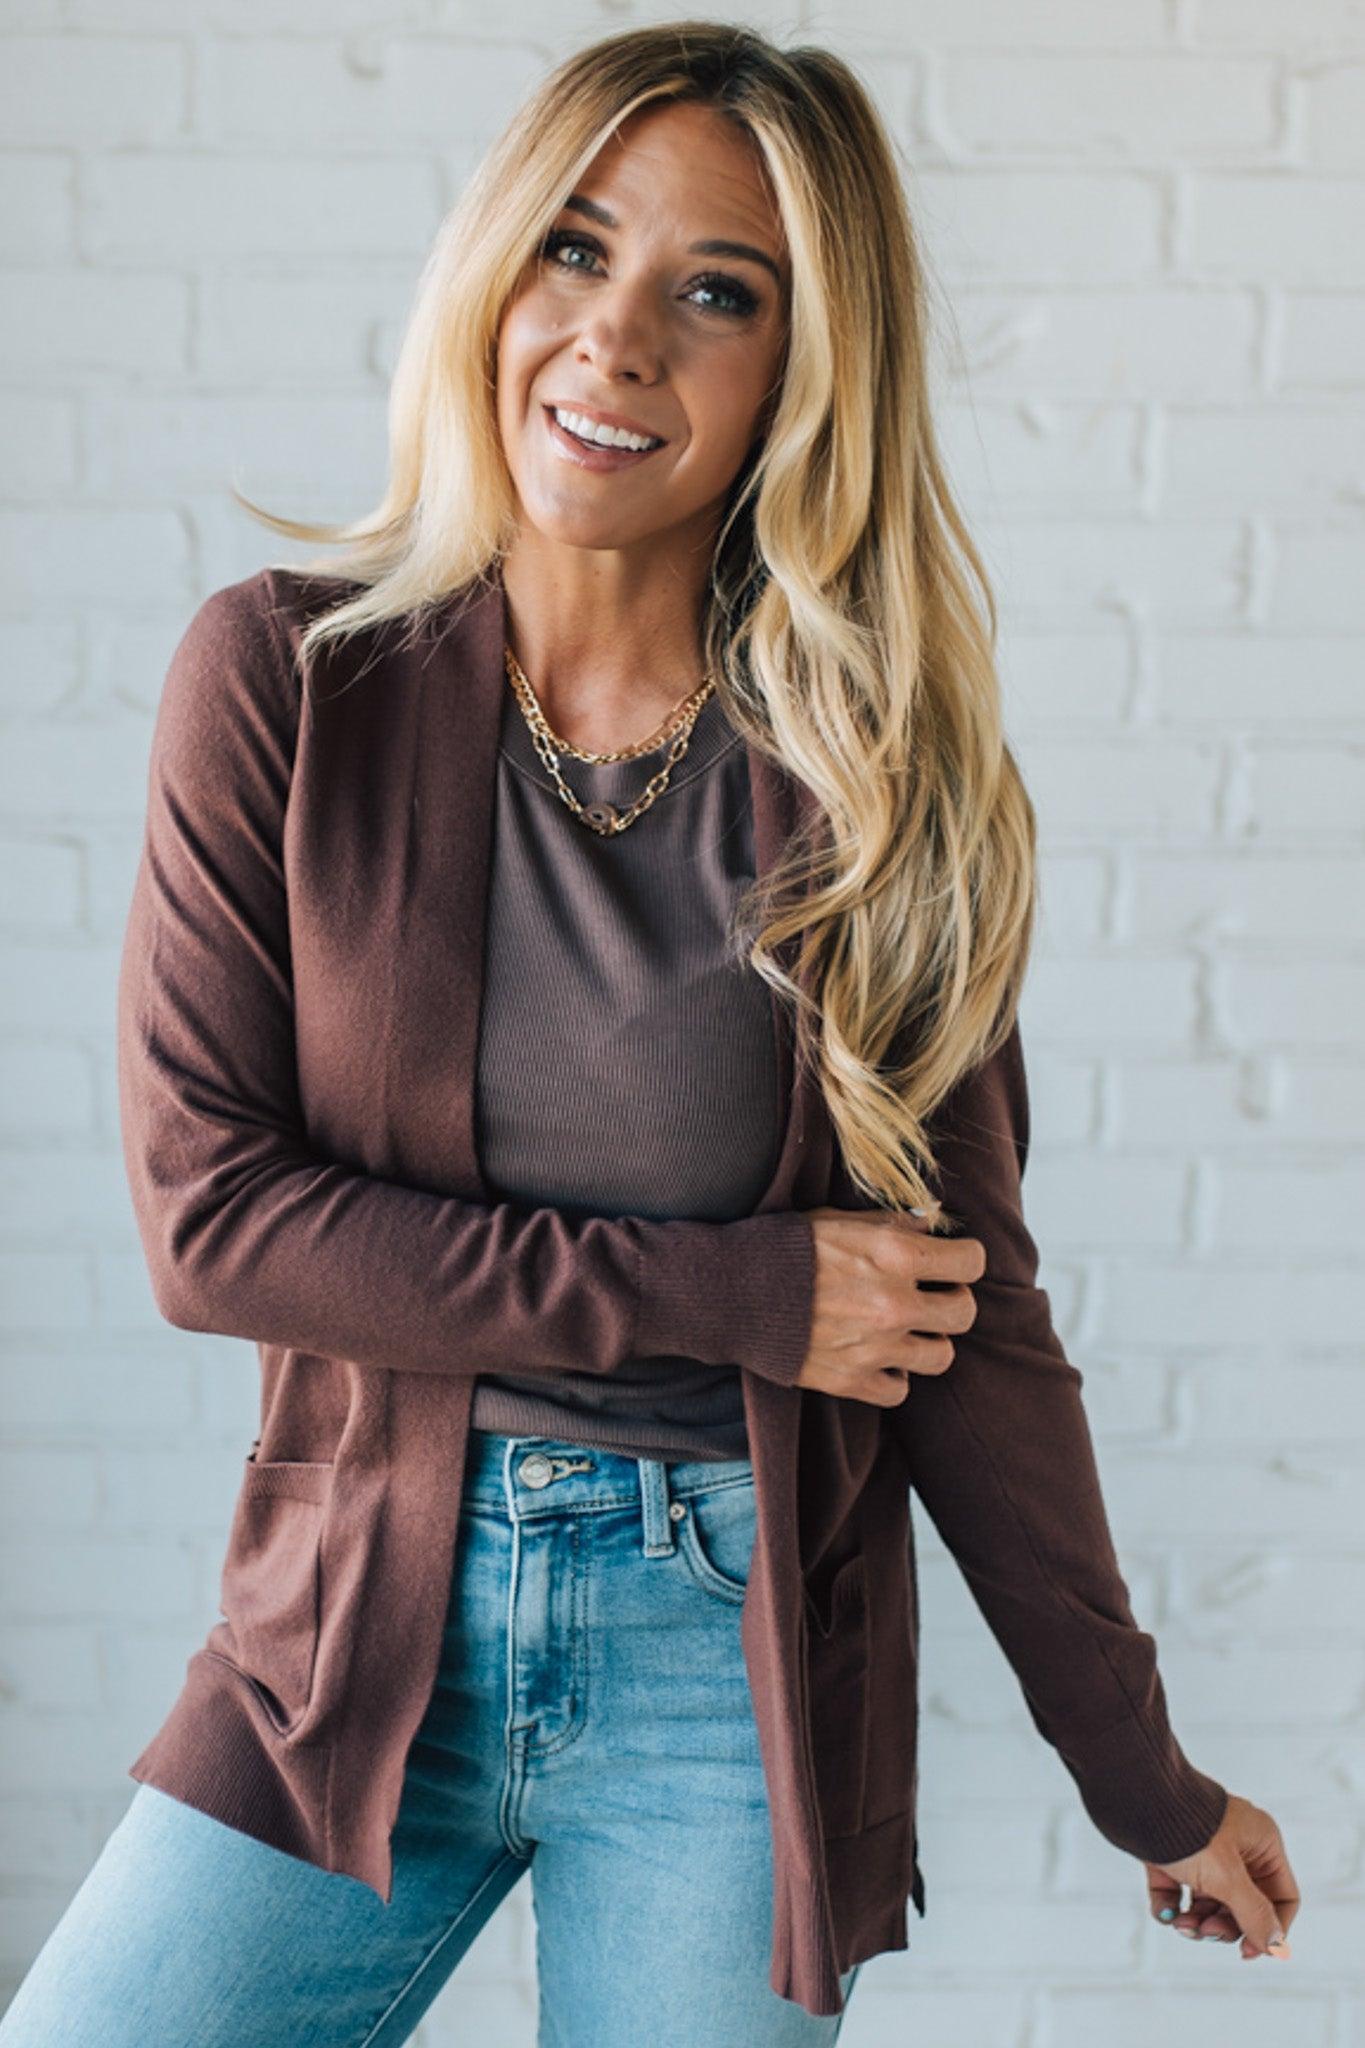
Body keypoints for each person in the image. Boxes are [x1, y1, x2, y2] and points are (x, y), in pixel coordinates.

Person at [0, 20, 1298, 2047]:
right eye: (573, 252)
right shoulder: (279, 685)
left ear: (798, 373)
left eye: (718, 293)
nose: (614, 341)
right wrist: (738, 1288)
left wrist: (1139, 1775)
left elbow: (965, 1330)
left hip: (728, 1664)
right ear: (493, 273)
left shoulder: (880, 791)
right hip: (347, 1637)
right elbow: (218, 1229)